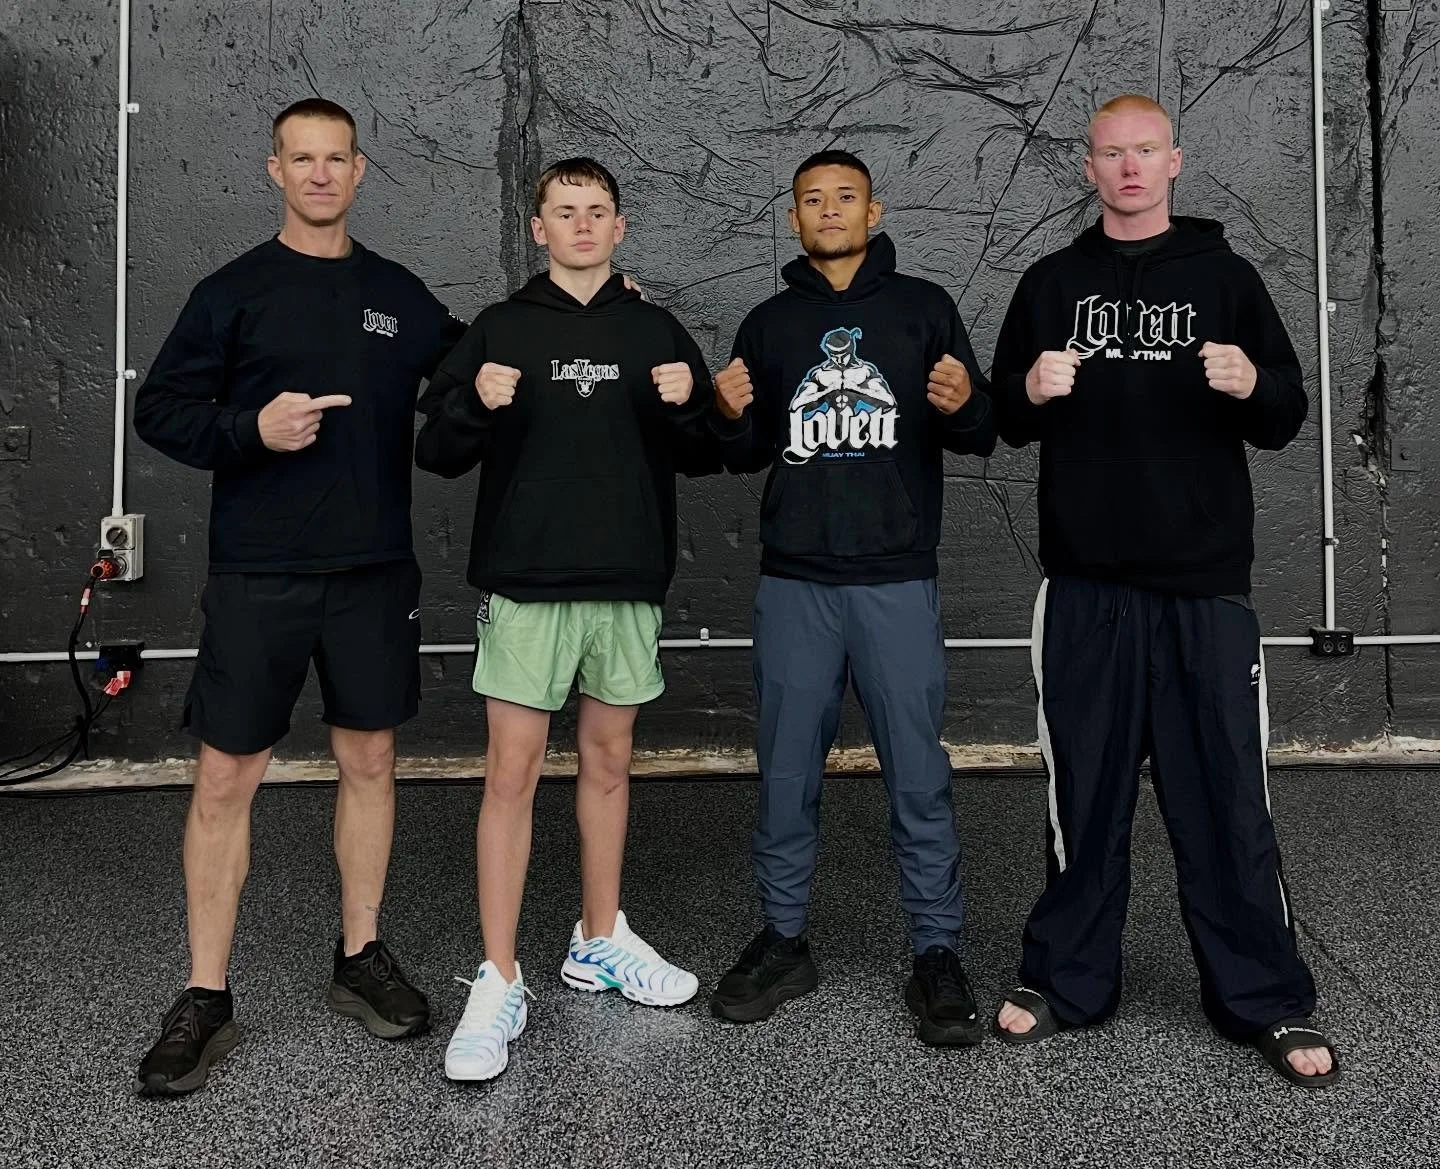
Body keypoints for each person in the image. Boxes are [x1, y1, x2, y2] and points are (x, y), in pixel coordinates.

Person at [989, 94, 1338, 1087]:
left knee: (1226, 795)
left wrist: (1250, 382)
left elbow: (1286, 411)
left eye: (1147, 151)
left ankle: (1264, 996)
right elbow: (1003, 413)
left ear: (1175, 161)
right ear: (1090, 166)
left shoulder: (1226, 279)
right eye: (1113, 153)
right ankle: (1066, 978)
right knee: (1082, 797)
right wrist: (1031, 390)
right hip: (1087, 584)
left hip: (1202, 584)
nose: (1131, 168)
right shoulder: (1053, 283)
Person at [131, 98, 464, 1096]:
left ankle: (360, 953)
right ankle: (205, 993)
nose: (320, 174)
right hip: (259, 574)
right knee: (226, 779)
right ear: (274, 170)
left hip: (371, 576)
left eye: (336, 158)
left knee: (371, 761)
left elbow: (480, 371)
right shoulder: (233, 292)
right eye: (301, 158)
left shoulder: (399, 296)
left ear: (360, 171)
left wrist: (589, 314)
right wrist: (249, 430)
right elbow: (161, 410)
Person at [414, 157, 717, 1082]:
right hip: (528, 581)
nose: (582, 225)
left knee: (610, 762)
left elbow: (711, 450)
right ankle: (497, 976)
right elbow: (436, 449)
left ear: (619, 227)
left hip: (625, 581)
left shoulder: (655, 327)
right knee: (510, 773)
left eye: (597, 212)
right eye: (564, 212)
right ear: (538, 228)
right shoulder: (501, 328)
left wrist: (690, 402)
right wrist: (476, 401)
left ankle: (597, 937)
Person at [705, 150, 997, 1047]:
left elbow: (984, 431)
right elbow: (746, 453)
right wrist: (723, 412)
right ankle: (786, 938)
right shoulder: (769, 322)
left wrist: (962, 401)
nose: (828, 211)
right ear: (793, 219)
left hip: (894, 579)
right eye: (810, 200)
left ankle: (937, 953)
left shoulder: (924, 309)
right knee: (787, 773)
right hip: (797, 582)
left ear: (874, 211)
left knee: (918, 772)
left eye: (844, 198)